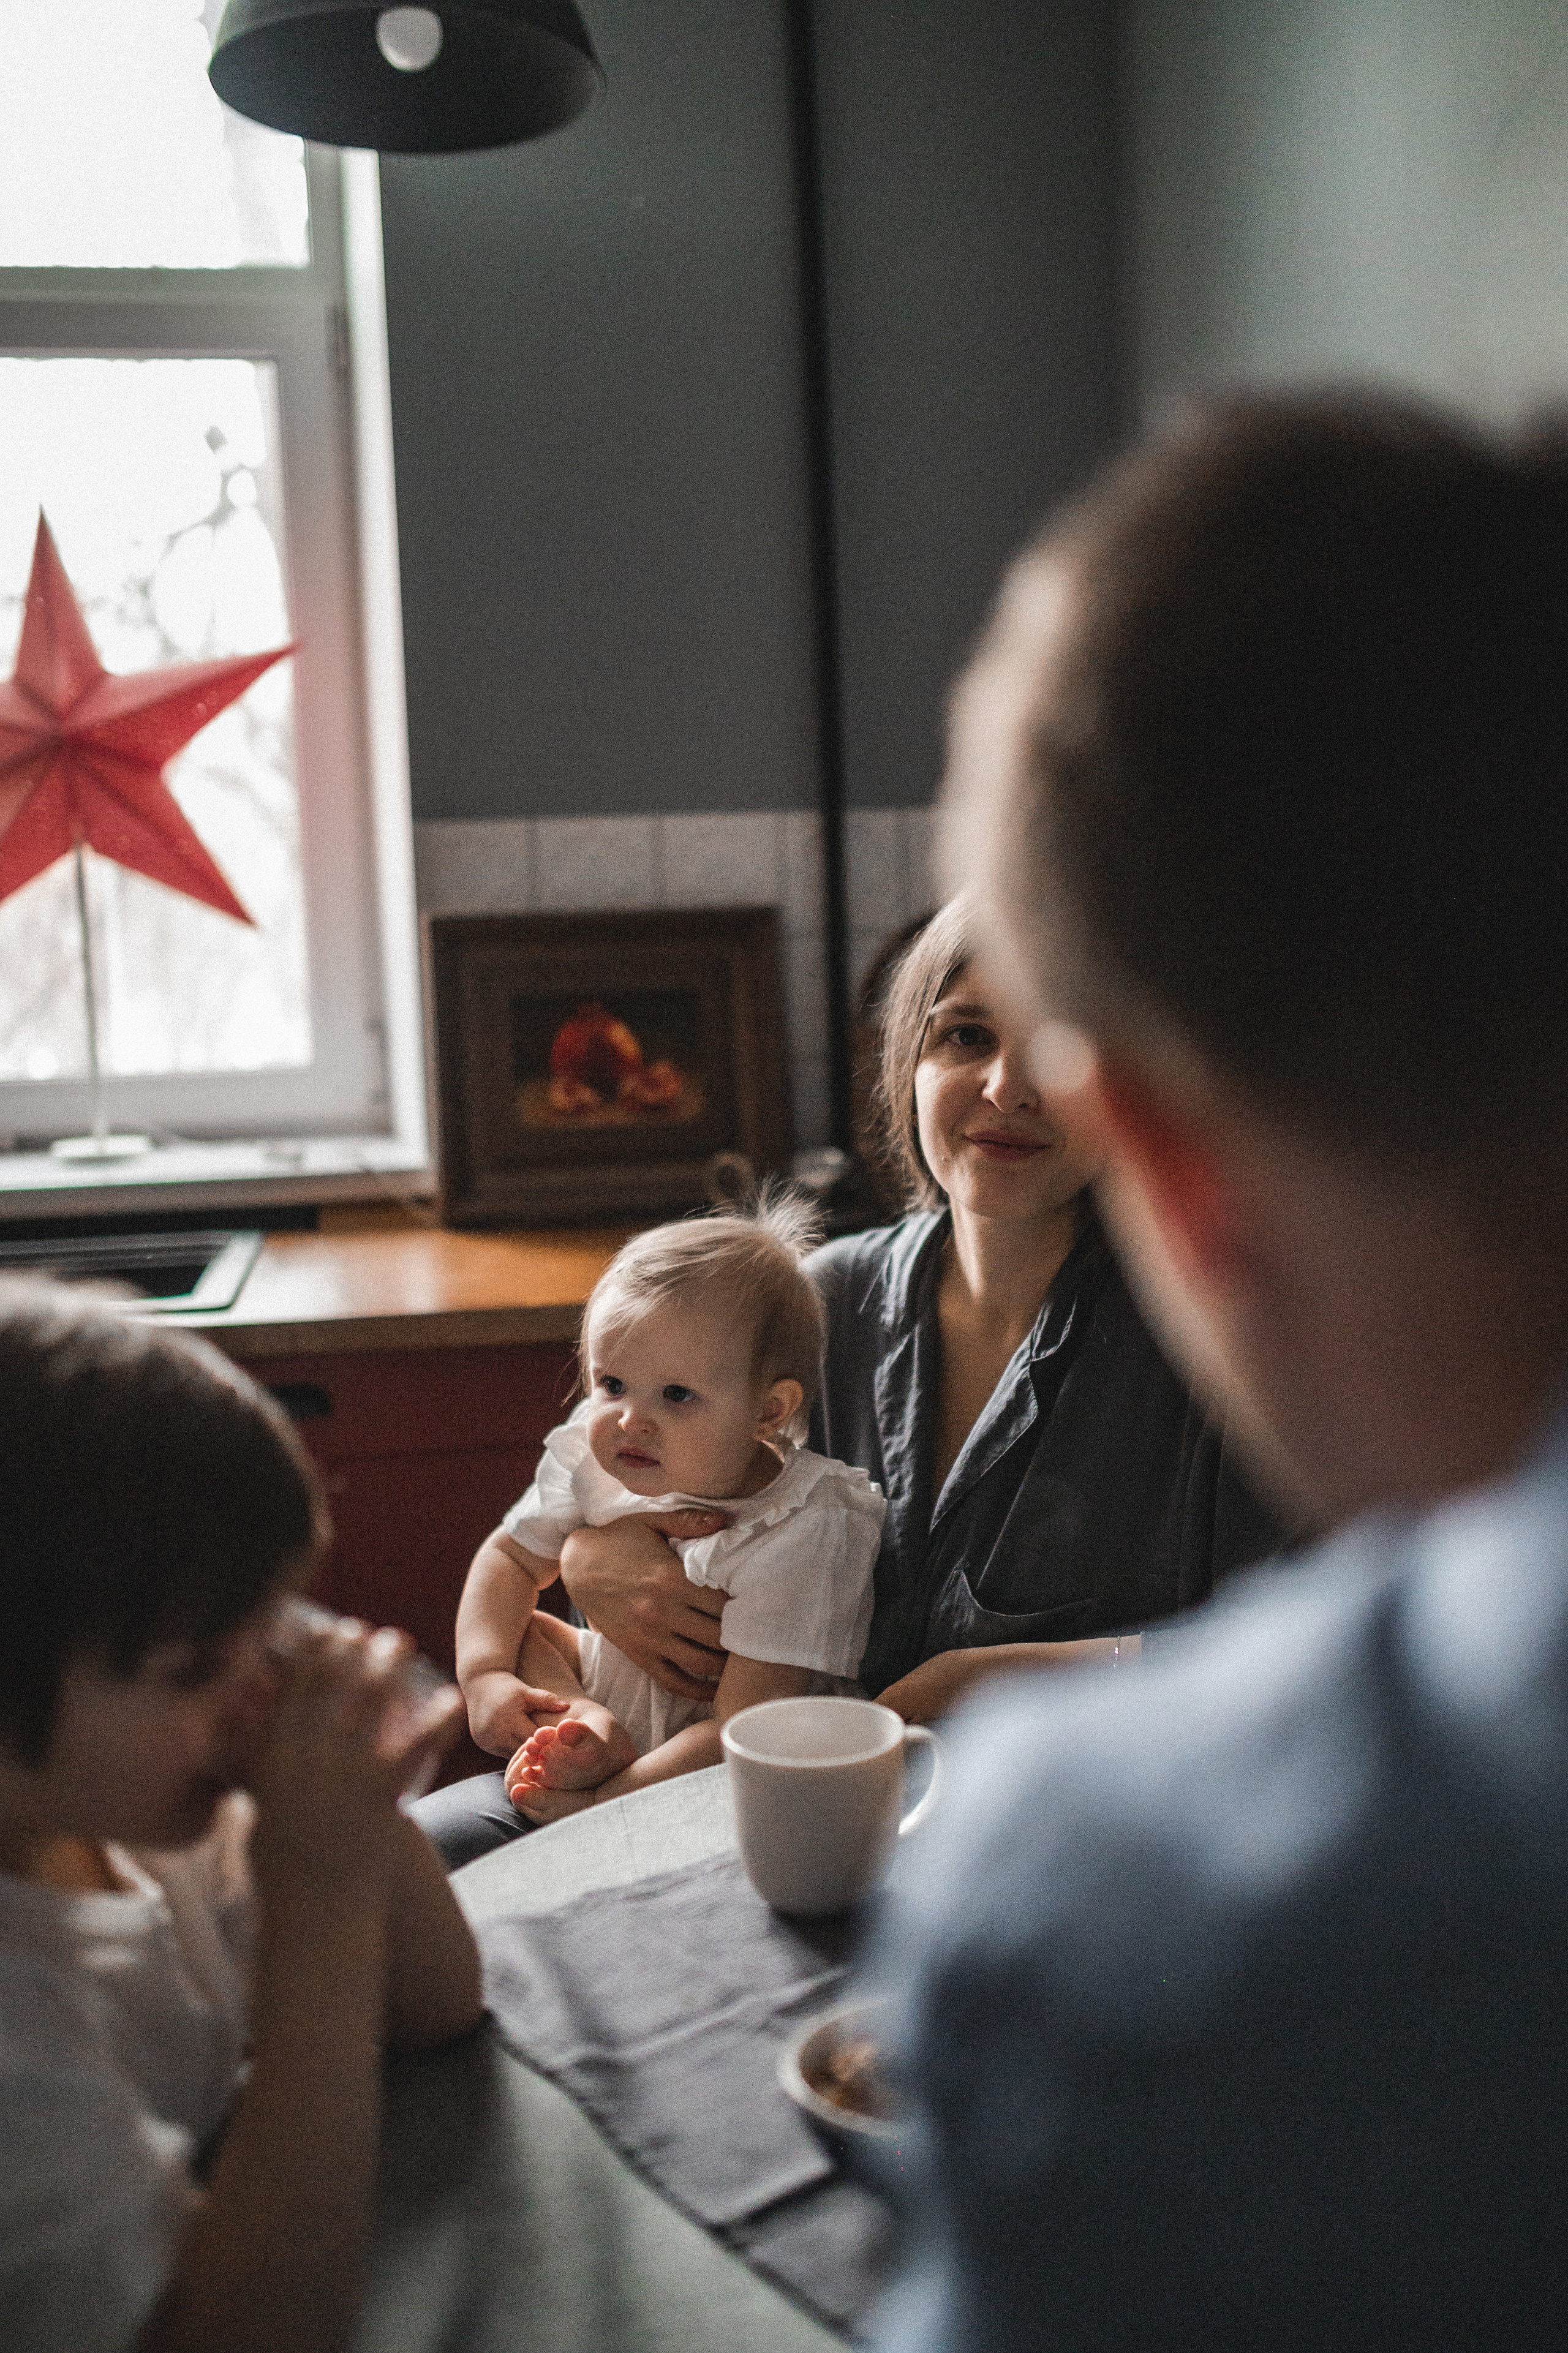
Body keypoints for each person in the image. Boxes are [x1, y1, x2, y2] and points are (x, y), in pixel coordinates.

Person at [858, 390, 1568, 2349]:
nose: (991, 1091)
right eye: (951, 1041)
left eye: (1038, 1051)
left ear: (1152, 1152)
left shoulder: (1122, 1884)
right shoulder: (823, 1299)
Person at [554, 908, 1286, 1739]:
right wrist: (591, 1555)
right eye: (966, 1036)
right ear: (908, 1062)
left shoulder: (1215, 1343)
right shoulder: (818, 1303)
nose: (1008, 1088)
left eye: (1058, 1044)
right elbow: (627, 1491)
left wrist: (994, 1674)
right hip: (762, 1792)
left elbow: (1293, 1658)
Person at [0, 1283, 482, 2353]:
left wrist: (353, 1830)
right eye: (198, 1664)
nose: (258, 1692)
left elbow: (437, 2006)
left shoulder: (136, 1810)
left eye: (269, 1631)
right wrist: (319, 1899)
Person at [420, 1200, 884, 1850]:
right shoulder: (594, 1457)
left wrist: (609, 1805)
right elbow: (509, 1559)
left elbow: (745, 1728)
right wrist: (486, 1677)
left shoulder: (806, 1524)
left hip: (728, 1767)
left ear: (767, 1411)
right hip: (618, 1697)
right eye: (611, 1382)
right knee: (525, 1626)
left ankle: (604, 1773)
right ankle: (584, 1725)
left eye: (676, 1395)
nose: (629, 1419)